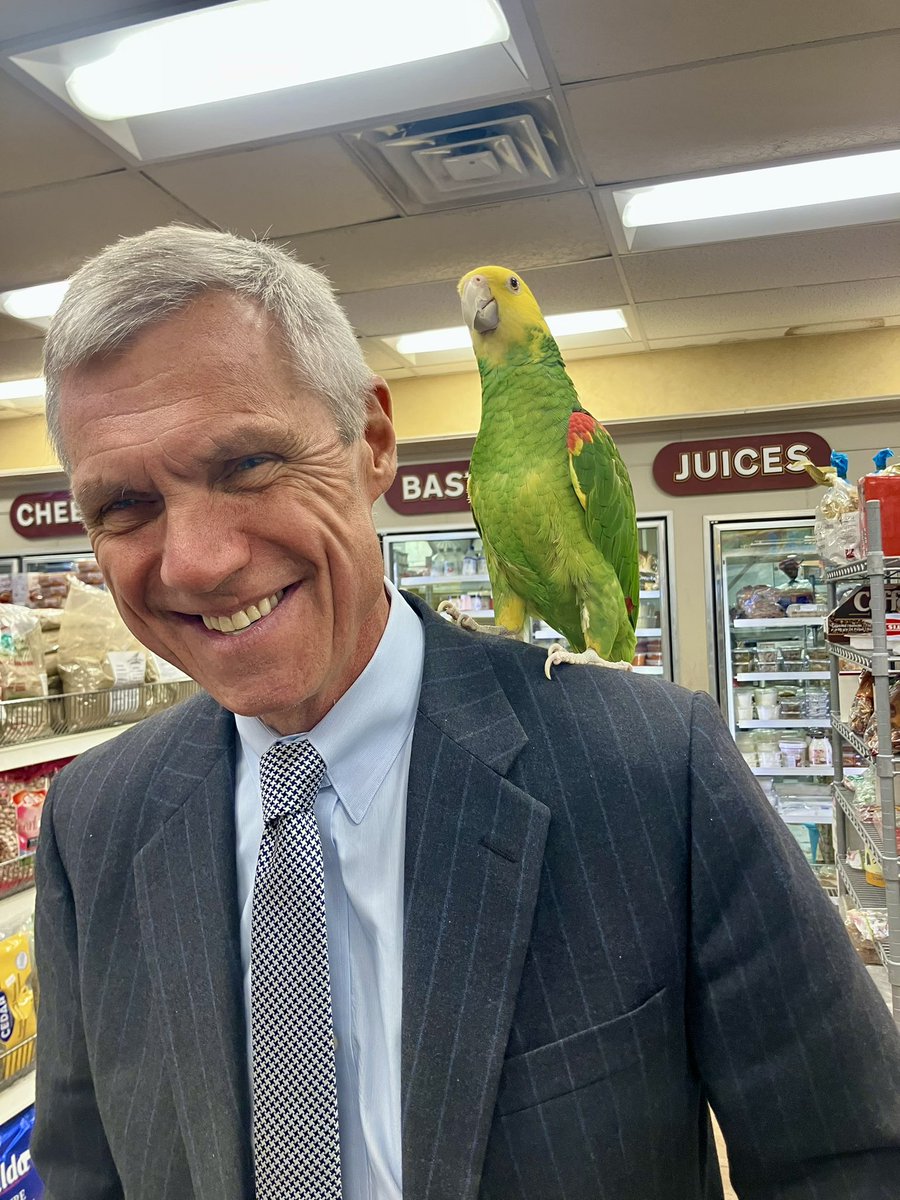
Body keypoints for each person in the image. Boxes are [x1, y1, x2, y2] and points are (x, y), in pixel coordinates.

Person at [33, 225, 900, 1200]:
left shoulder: (656, 771)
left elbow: (850, 1160)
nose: (194, 560)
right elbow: (84, 1176)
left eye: (247, 465)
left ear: (372, 444)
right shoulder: (91, 823)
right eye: (123, 507)